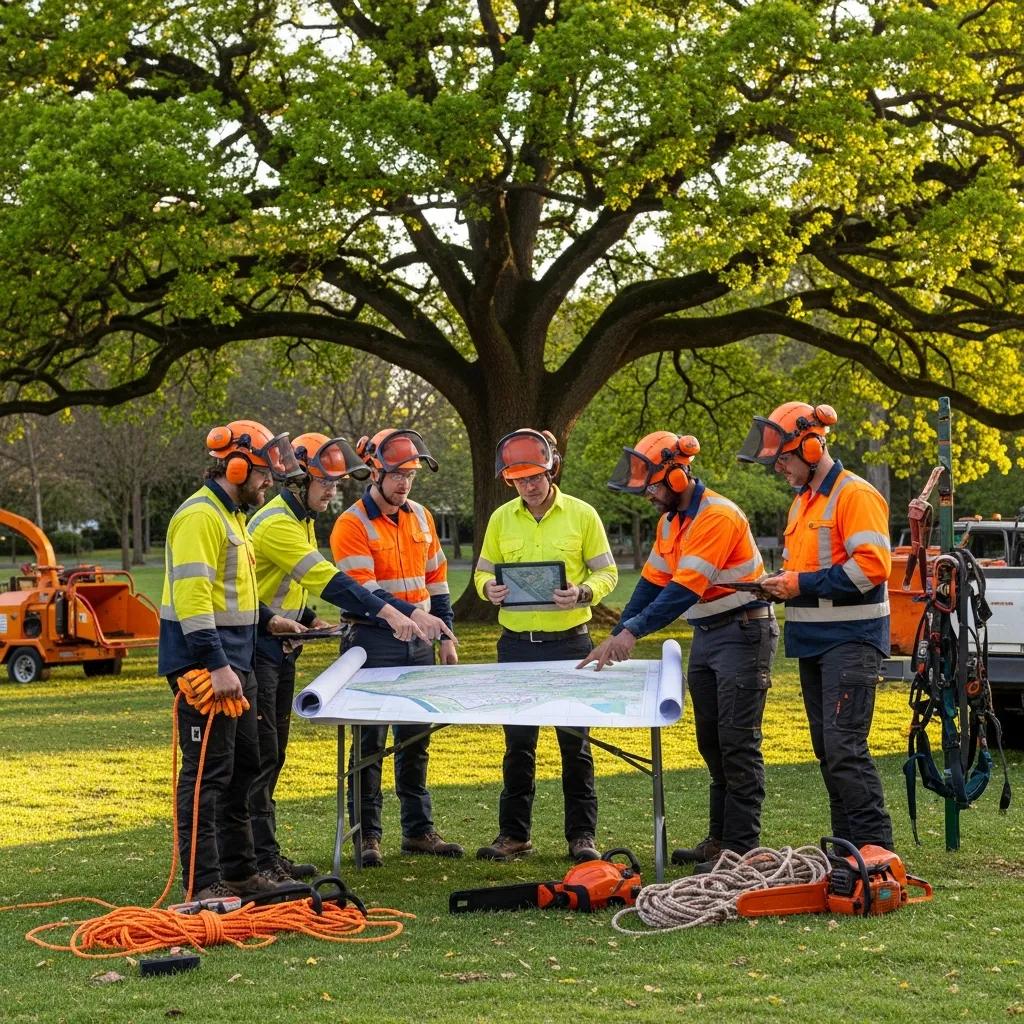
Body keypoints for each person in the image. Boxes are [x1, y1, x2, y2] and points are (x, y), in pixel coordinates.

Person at [579, 431, 777, 872]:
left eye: (651, 485)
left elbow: (684, 589)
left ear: (675, 476)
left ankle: (741, 850)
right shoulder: (671, 521)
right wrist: (620, 628)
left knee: (737, 742)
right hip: (710, 635)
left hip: (744, 633)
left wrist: (632, 634)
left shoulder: (716, 516)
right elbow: (651, 584)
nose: (648, 495)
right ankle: (721, 839)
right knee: (711, 742)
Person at [247, 432, 431, 883]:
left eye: (336, 483)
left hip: (277, 644)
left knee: (273, 754)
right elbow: (330, 581)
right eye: (325, 483)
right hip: (255, 648)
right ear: (297, 480)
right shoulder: (277, 523)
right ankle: (256, 860)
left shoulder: (300, 518)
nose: (334, 491)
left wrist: (305, 618)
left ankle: (264, 856)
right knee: (262, 755)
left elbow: (282, 585)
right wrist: (391, 611)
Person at [158, 420, 305, 901]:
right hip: (207, 665)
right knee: (207, 774)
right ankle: (203, 884)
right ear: (236, 466)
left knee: (248, 763)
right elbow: (194, 600)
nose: (268, 482)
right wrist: (217, 665)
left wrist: (267, 619)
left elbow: (228, 595)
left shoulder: (234, 514)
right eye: (263, 473)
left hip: (236, 660)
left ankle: (241, 873)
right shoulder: (200, 516)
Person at [737, 402, 894, 849]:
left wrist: (797, 583)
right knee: (829, 750)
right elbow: (805, 574)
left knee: (845, 748)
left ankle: (877, 851)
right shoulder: (802, 504)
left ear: (810, 447)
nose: (779, 469)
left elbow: (871, 569)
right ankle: (848, 848)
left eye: (783, 460)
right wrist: (778, 585)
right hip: (814, 640)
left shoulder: (855, 495)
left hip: (851, 639)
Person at [473, 429, 618, 863]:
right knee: (518, 743)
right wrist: (488, 591)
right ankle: (514, 836)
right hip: (515, 645)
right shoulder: (501, 519)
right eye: (520, 480)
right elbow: (481, 574)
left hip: (571, 643)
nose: (530, 486)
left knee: (575, 744)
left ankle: (582, 836)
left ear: (550, 468)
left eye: (535, 477)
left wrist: (584, 593)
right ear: (509, 480)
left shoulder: (582, 514)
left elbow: (607, 575)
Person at [329, 428, 461, 867]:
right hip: (371, 642)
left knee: (415, 739)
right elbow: (362, 591)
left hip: (421, 642)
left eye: (411, 474)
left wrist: (444, 632)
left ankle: (419, 831)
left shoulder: (422, 517)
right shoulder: (351, 523)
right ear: (374, 472)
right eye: (397, 474)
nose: (404, 483)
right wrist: (414, 614)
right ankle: (368, 836)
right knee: (370, 742)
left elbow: (437, 580)